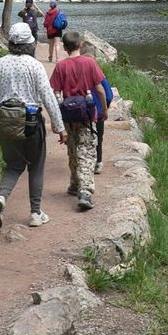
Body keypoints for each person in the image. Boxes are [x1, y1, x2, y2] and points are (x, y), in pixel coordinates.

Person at [0, 21, 67, 229]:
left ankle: (1, 198)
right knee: (36, 167)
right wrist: (60, 127)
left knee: (13, 165)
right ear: (29, 44)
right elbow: (48, 96)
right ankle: (35, 213)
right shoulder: (34, 65)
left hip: (6, 122)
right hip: (31, 123)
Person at [50, 31, 108, 211]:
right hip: (86, 114)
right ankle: (85, 191)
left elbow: (55, 93)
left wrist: (55, 119)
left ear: (65, 48)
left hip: (68, 115)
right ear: (80, 45)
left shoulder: (60, 66)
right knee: (87, 151)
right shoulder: (89, 62)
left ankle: (75, 184)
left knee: (73, 149)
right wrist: (103, 110)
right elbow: (99, 89)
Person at [79, 42, 112, 174]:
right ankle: (98, 162)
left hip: (80, 111)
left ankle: (82, 162)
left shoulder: (77, 70)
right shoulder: (99, 72)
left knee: (82, 137)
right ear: (95, 57)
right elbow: (108, 94)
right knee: (99, 136)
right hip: (97, 112)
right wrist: (105, 108)